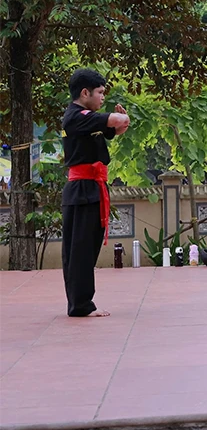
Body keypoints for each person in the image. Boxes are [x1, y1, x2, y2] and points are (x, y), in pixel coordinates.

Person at [61, 69, 131, 318]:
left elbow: (110, 129)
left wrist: (120, 124)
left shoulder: (85, 119)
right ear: (84, 92)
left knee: (86, 248)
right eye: (100, 92)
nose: (102, 97)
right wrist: (117, 120)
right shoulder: (75, 117)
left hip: (91, 187)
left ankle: (80, 301)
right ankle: (81, 305)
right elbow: (108, 120)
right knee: (79, 249)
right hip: (81, 188)